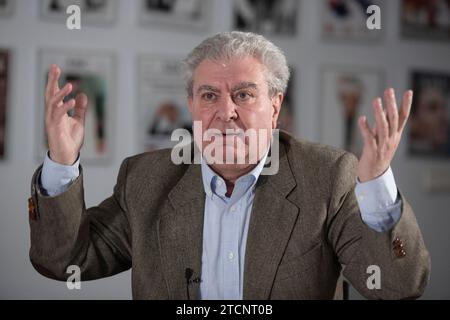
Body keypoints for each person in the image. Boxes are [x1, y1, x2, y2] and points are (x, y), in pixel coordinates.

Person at [28, 31, 430, 300]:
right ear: (192, 106)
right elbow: (66, 262)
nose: (226, 112)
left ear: (275, 108)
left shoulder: (327, 176)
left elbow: (399, 287)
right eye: (209, 96)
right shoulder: (146, 180)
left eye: (243, 94)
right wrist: (62, 163)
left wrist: (376, 183)